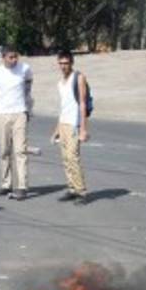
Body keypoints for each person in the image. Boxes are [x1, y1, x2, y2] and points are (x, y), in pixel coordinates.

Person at [0, 46, 33, 200]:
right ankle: (6, 184)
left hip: (20, 113)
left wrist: (27, 108)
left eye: (15, 57)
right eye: (10, 57)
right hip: (2, 114)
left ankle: (22, 186)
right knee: (5, 151)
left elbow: (28, 87)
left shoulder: (25, 69)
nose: (14, 60)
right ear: (3, 57)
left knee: (20, 151)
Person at [52, 49, 90, 205]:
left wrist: (83, 128)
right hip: (63, 124)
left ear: (71, 63)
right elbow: (63, 107)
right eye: (61, 63)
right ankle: (72, 188)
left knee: (73, 158)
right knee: (66, 159)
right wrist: (56, 129)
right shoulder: (60, 83)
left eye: (66, 63)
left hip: (74, 124)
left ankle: (81, 192)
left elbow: (82, 103)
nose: (63, 66)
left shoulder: (79, 77)